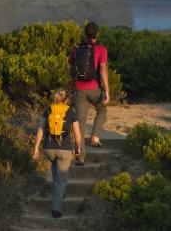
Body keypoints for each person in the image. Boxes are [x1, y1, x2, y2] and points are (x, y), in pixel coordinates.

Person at [33, 88, 84, 218]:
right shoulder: (71, 112)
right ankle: (56, 209)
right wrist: (79, 149)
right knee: (61, 179)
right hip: (65, 149)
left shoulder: (48, 110)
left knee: (56, 169)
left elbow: (40, 129)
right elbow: (78, 135)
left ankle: (59, 194)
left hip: (48, 149)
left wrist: (36, 148)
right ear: (67, 99)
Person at [69, 21, 110, 153]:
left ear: (85, 34)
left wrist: (74, 82)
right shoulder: (101, 49)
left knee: (80, 123)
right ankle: (95, 136)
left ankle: (80, 157)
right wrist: (107, 91)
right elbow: (103, 69)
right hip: (95, 88)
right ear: (97, 34)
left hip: (79, 89)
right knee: (102, 109)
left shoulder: (76, 49)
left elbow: (70, 67)